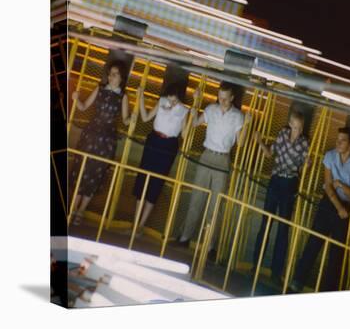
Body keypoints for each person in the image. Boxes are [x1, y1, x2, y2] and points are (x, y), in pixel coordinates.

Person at [177, 81, 250, 258]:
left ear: (232, 98)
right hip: (207, 154)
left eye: (225, 99)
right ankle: (185, 238)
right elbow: (194, 123)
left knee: (216, 204)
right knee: (197, 196)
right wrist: (195, 103)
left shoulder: (238, 116)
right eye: (220, 98)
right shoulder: (211, 109)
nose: (222, 101)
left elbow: (240, 143)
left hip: (223, 159)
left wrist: (246, 124)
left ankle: (209, 246)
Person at [291, 127, 350, 293]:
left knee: (337, 253)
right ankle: (297, 282)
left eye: (343, 140)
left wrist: (341, 184)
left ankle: (328, 292)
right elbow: (328, 185)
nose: (338, 142)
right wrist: (339, 206)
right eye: (338, 138)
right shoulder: (330, 155)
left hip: (348, 207)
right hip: (330, 204)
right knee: (313, 242)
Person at [252, 110, 309, 284]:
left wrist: (307, 165)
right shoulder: (282, 134)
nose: (298, 131)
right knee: (265, 223)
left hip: (290, 183)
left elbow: (302, 168)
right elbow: (270, 154)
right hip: (275, 180)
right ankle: (256, 265)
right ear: (290, 124)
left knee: (283, 229)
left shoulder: (305, 143)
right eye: (296, 127)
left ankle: (276, 273)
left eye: (300, 128)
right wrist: (260, 142)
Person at [69, 61, 130, 225]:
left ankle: (80, 211)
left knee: (96, 174)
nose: (111, 77)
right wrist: (76, 98)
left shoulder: (123, 96)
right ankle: (73, 210)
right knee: (81, 169)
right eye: (110, 73)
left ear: (121, 78)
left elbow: (125, 119)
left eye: (115, 74)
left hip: (106, 141)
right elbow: (83, 107)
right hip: (90, 136)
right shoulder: (100, 89)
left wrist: (135, 117)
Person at [130, 83, 189, 237]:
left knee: (156, 182)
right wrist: (140, 98)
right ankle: (134, 224)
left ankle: (141, 225)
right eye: (170, 99)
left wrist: (192, 116)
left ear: (179, 99)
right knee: (143, 178)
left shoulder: (184, 110)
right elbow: (145, 117)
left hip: (169, 145)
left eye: (174, 100)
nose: (171, 103)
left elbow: (184, 134)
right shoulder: (162, 101)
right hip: (154, 140)